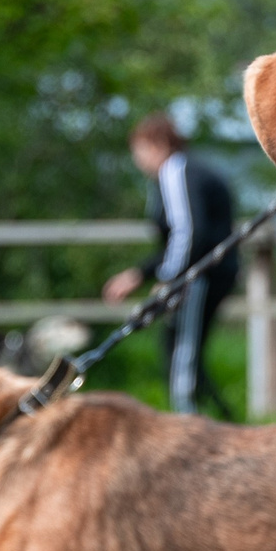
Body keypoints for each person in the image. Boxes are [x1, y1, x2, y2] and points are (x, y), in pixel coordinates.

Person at [102, 112, 240, 417]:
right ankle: (222, 420)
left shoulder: (175, 170)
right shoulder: (183, 172)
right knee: (180, 347)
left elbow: (188, 231)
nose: (138, 160)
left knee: (182, 352)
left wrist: (171, 279)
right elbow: (174, 240)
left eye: (139, 150)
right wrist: (139, 274)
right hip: (202, 273)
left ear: (158, 144)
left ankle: (187, 424)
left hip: (200, 277)